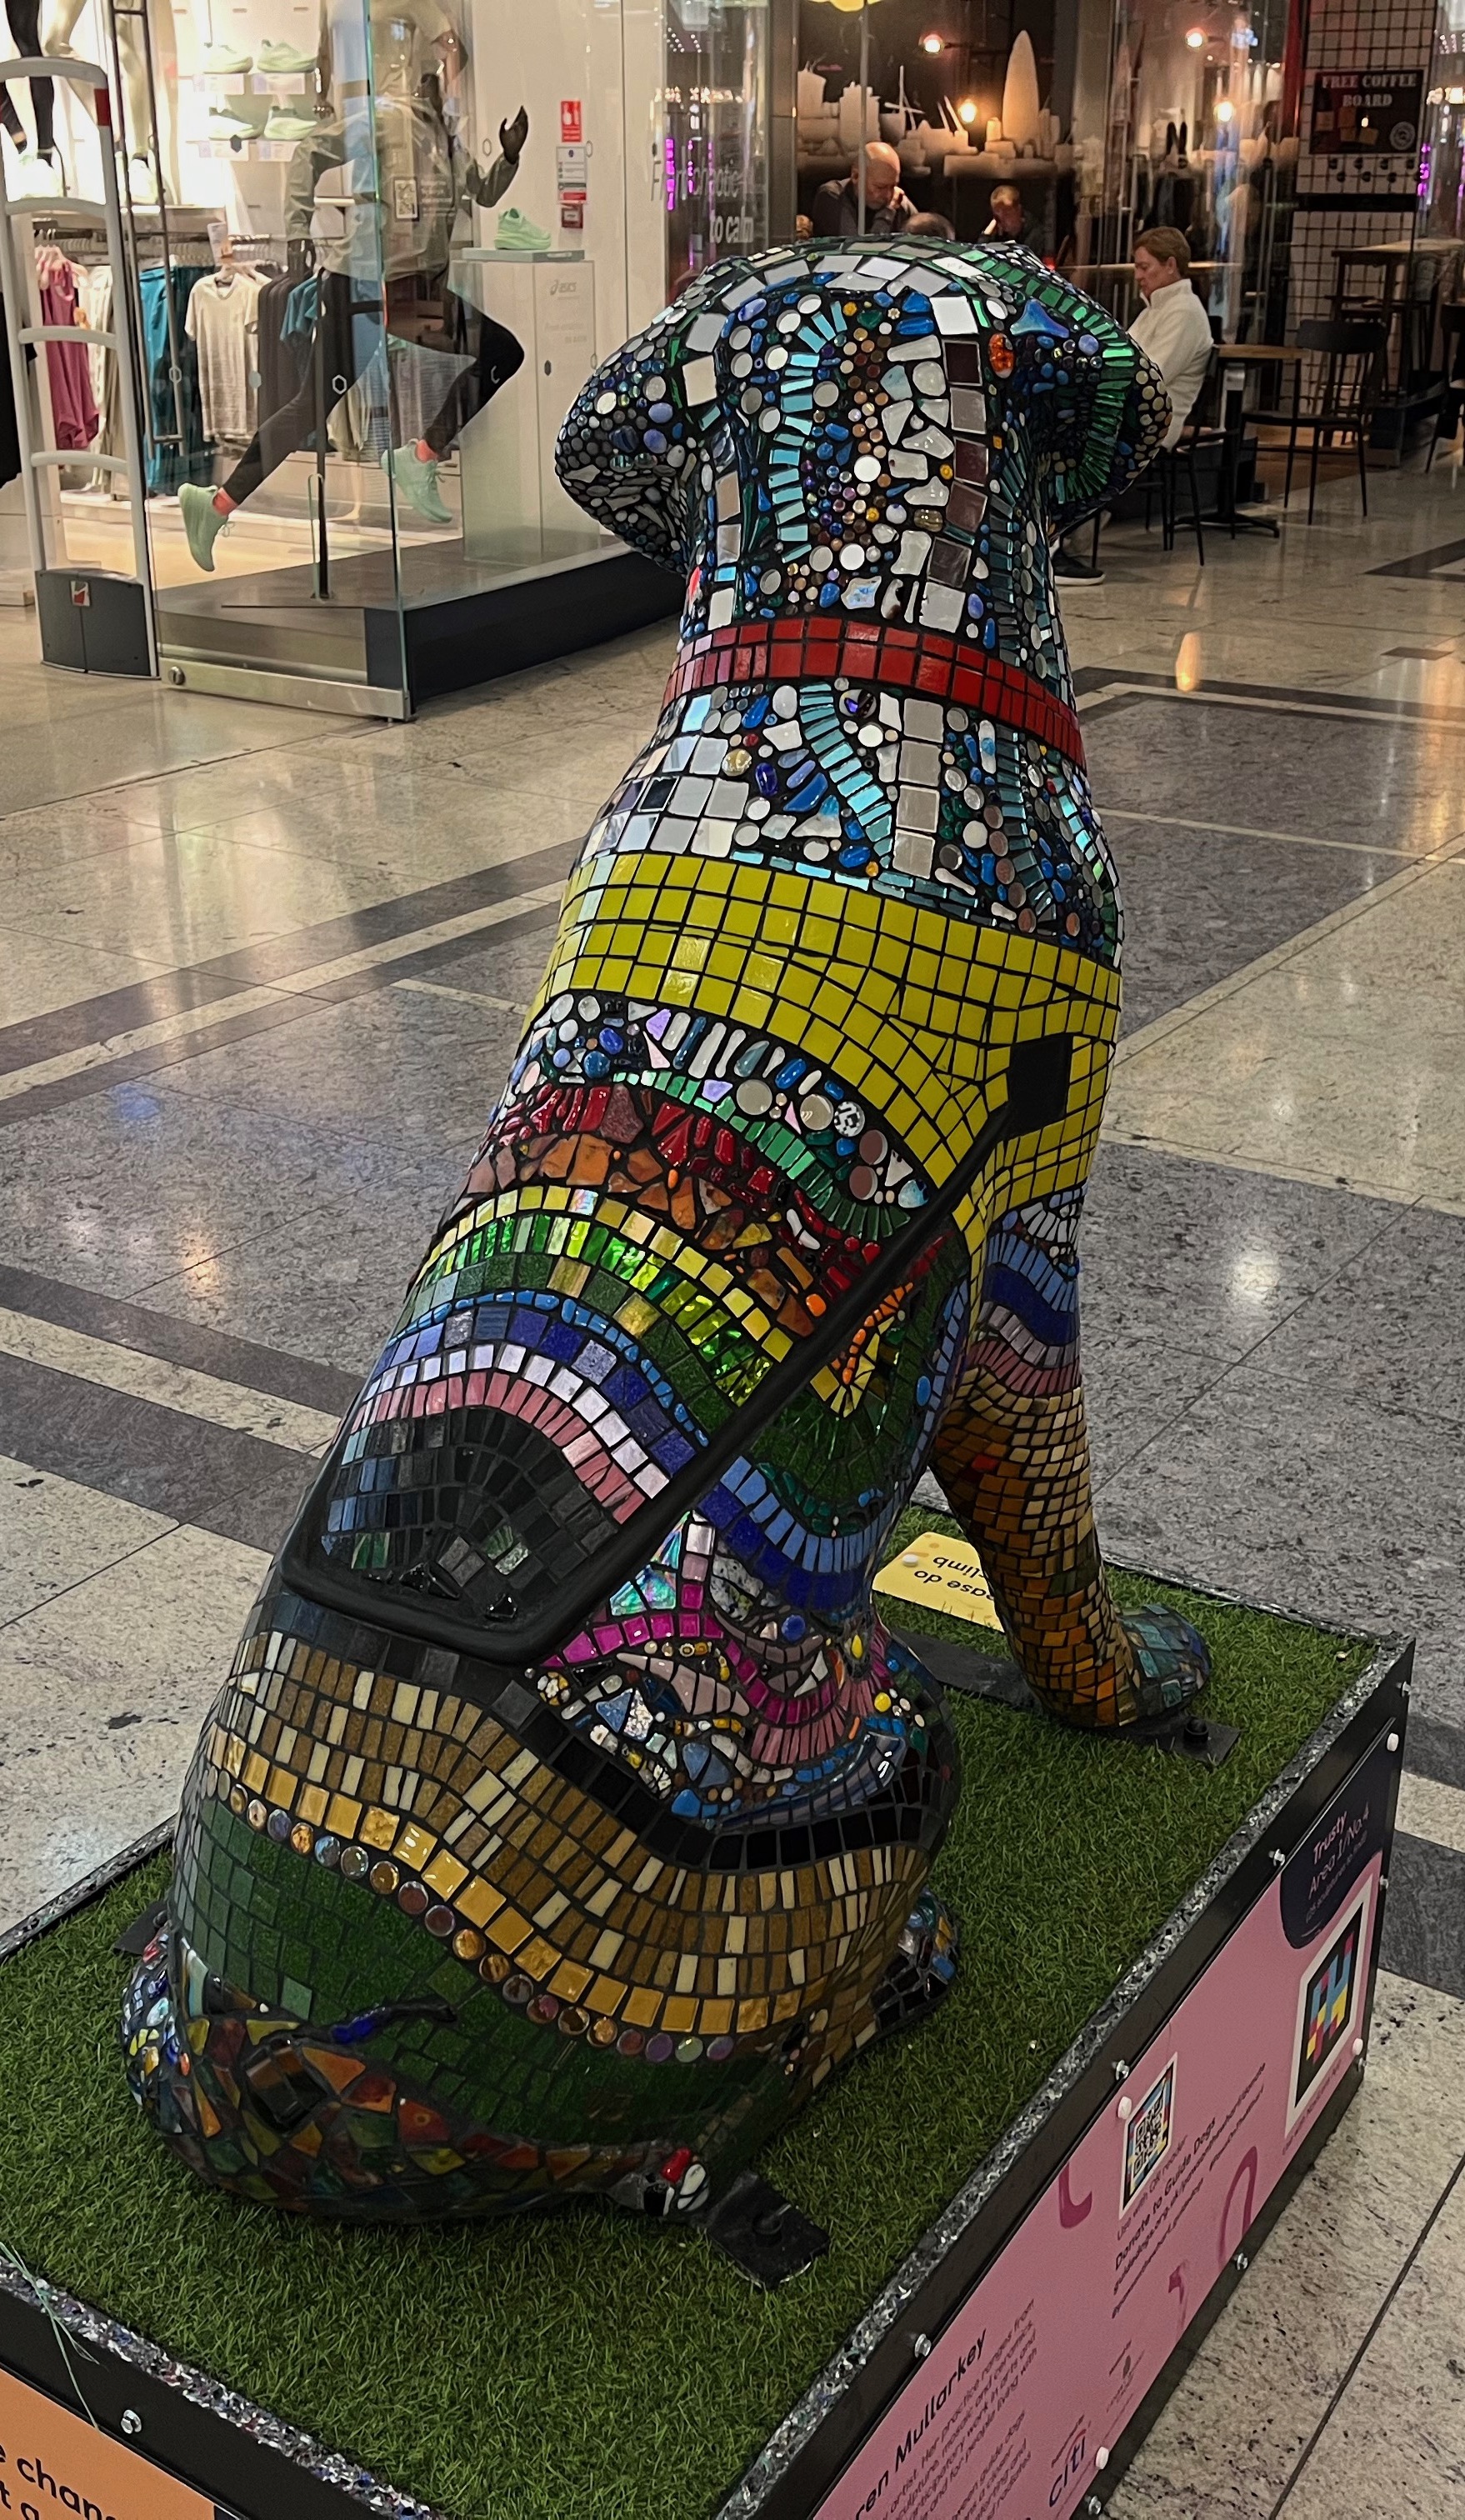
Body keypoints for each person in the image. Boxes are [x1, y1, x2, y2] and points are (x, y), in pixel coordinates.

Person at [178, 67, 529, 570]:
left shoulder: (445, 135)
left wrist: (510, 155)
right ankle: (214, 506)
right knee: (312, 407)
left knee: (500, 352)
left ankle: (418, 458)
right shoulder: (384, 119)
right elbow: (308, 155)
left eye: (454, 68)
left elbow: (484, 192)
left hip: (411, 291)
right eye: (444, 65)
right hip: (360, 284)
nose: (449, 78)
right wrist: (298, 233)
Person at [1128, 226, 1214, 449]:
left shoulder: (1184, 312)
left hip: (1149, 426)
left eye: (1144, 267)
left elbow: (1151, 377)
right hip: (1132, 416)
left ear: (1170, 265)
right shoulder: (1154, 309)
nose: (1138, 276)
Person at [812, 141, 913, 238]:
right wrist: (887, 214)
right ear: (856, 176)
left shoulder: (898, 200)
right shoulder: (832, 197)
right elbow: (857, 250)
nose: (888, 195)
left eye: (892, 186)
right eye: (880, 187)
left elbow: (923, 238)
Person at [982, 182, 1038, 252]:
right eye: (997, 215)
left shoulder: (1035, 236)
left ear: (1018, 209)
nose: (1002, 220)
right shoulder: (997, 236)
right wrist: (986, 235)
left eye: (1007, 213)